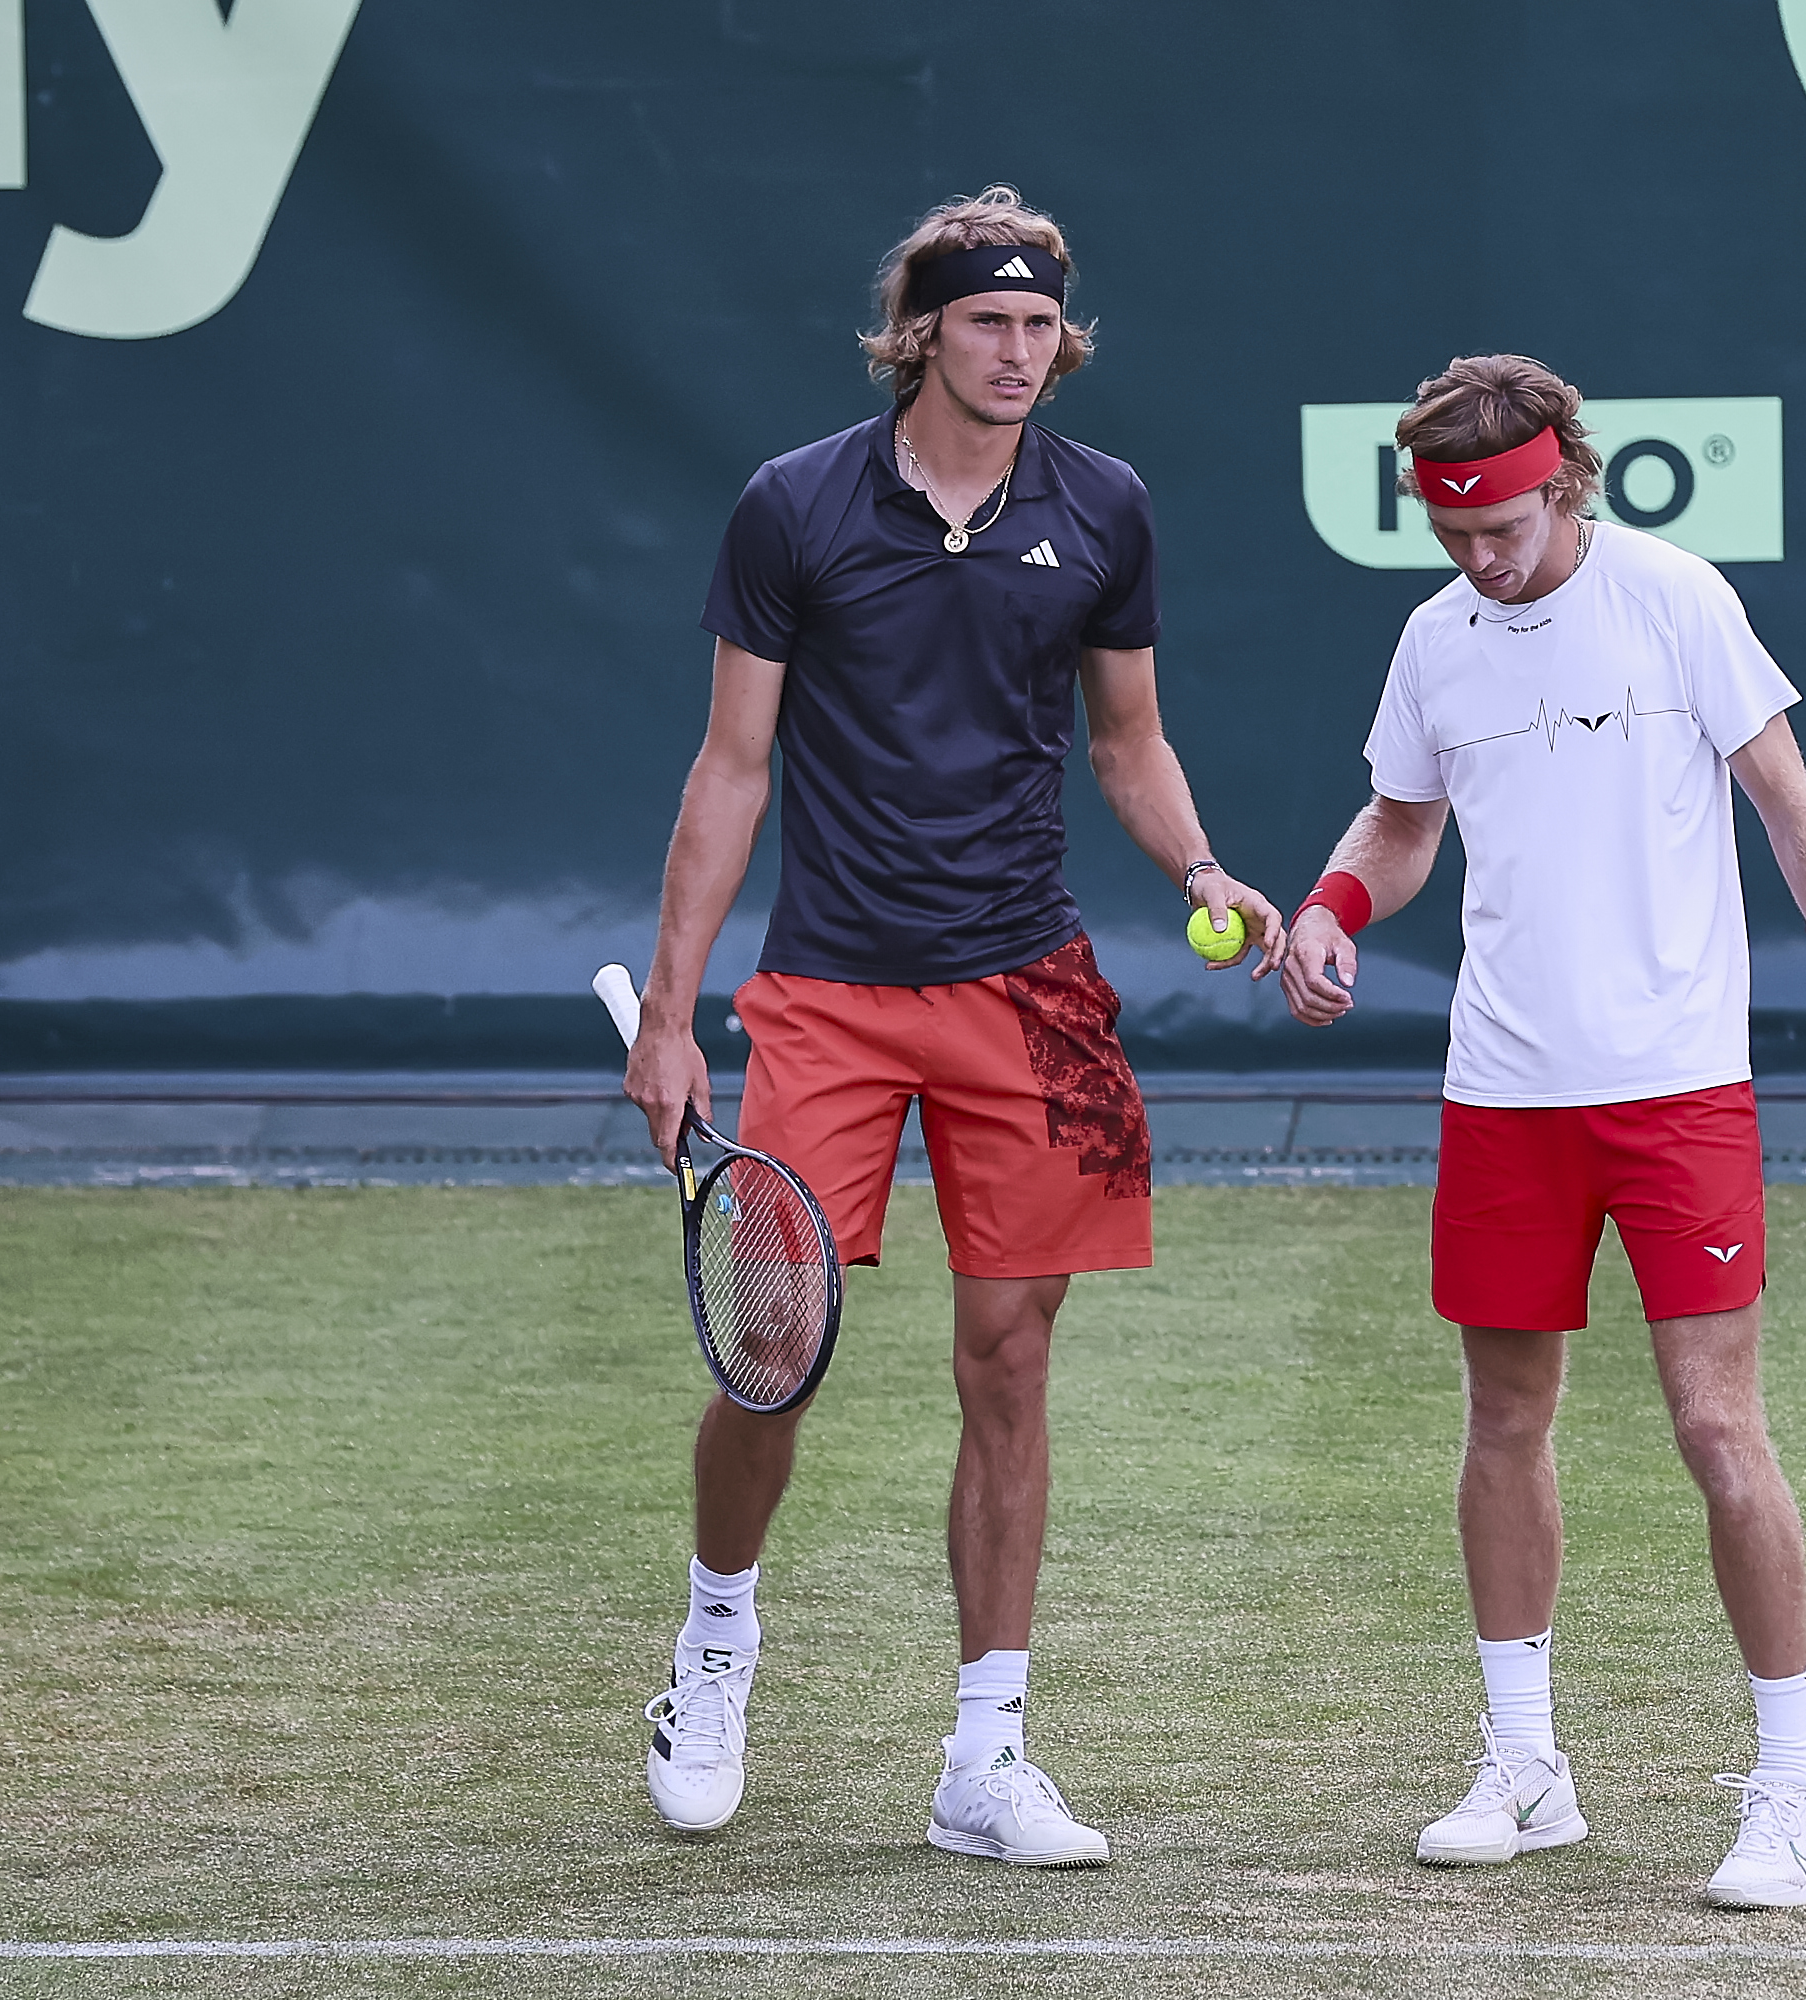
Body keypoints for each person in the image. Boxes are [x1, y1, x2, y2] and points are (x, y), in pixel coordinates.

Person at [623, 186, 1282, 1867]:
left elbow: (1127, 739)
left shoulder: (1105, 506)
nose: (1018, 350)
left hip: (1030, 992)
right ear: (920, 333)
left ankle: (986, 1755)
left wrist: (1203, 866)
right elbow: (732, 769)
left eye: (1041, 323)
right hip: (830, 991)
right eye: (987, 321)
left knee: (1012, 1355)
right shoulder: (793, 505)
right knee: (773, 1349)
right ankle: (714, 1649)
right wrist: (673, 1017)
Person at [1270, 354, 1806, 1909]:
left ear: (1565, 484)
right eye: (1453, 532)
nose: (1481, 557)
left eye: (1503, 527)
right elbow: (1402, 824)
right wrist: (1331, 906)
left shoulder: (1675, 600)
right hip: (1502, 1094)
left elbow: (1791, 811)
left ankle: (1793, 1797)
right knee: (1502, 1420)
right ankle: (1526, 1767)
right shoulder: (1434, 642)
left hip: (1676, 1091)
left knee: (1718, 1429)